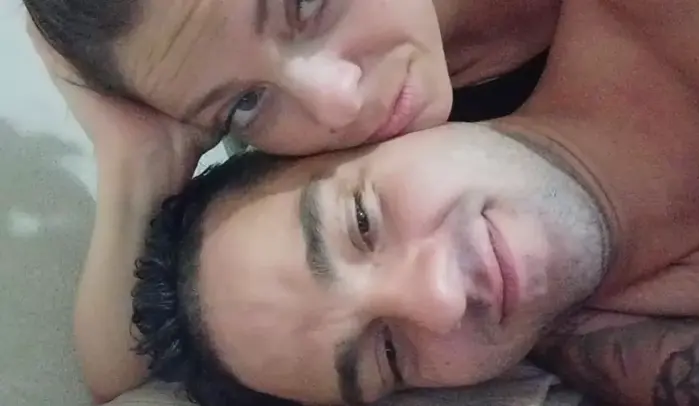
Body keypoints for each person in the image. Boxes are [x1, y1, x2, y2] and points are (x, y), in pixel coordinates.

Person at [131, 1, 699, 406]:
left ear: (377, 133)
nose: (440, 300)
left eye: (362, 223)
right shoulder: (633, 342)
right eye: (388, 352)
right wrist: (134, 174)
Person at [23, 0, 561, 402]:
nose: (338, 103)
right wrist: (139, 163)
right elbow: (123, 373)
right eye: (245, 103)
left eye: (306, 4)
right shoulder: (346, 175)